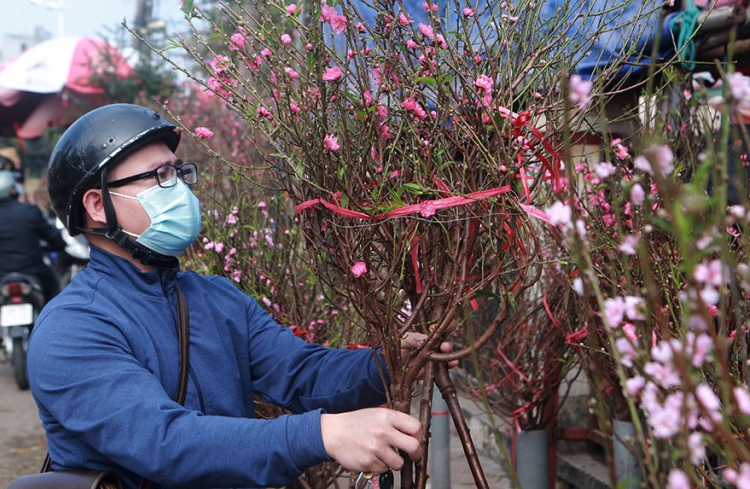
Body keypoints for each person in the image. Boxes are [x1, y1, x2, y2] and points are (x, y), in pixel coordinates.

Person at [28, 104, 443, 488]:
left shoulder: (214, 298)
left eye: (178, 173)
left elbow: (302, 374)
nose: (180, 189)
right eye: (159, 177)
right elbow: (164, 441)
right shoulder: (71, 328)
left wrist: (387, 362)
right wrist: (321, 434)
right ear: (98, 205)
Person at [0, 170, 64, 382]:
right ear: (12, 189)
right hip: (34, 272)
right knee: (56, 298)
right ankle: (64, 348)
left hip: (2, 276)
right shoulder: (30, 212)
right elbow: (53, 237)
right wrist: (58, 244)